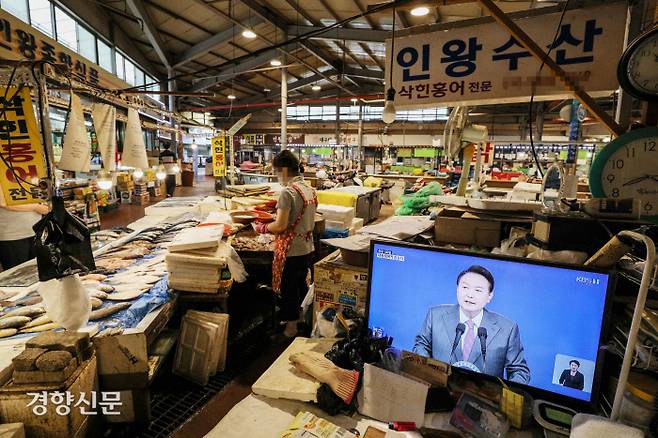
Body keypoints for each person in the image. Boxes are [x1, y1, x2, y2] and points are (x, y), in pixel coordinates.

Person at [413, 265, 530, 384]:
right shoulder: (435, 315)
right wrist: (428, 373)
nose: (470, 295)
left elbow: (519, 371)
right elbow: (421, 345)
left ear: (490, 296)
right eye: (465, 287)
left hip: (484, 400)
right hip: (438, 391)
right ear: (457, 289)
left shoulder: (507, 329)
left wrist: (502, 396)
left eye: (478, 290)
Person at [255, 150, 317, 338]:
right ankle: (301, 319)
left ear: (283, 169)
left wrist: (262, 228)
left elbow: (280, 225)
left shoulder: (287, 192)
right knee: (300, 284)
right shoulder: (309, 189)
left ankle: (291, 329)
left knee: (288, 288)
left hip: (291, 249)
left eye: (276, 172)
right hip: (307, 246)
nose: (276, 176)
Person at [0, 189, 49, 270]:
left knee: (39, 273)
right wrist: (36, 207)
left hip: (37, 231)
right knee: (18, 275)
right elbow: (3, 202)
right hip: (12, 235)